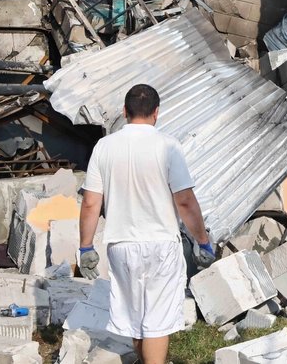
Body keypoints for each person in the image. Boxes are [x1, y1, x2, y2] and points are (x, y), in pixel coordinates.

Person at [78, 84, 216, 364]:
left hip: (121, 246)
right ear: (157, 113)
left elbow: (91, 202)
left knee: (135, 319)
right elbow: (185, 201)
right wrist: (202, 241)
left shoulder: (104, 146)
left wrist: (85, 247)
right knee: (156, 322)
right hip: (160, 246)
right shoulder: (168, 146)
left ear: (124, 112)